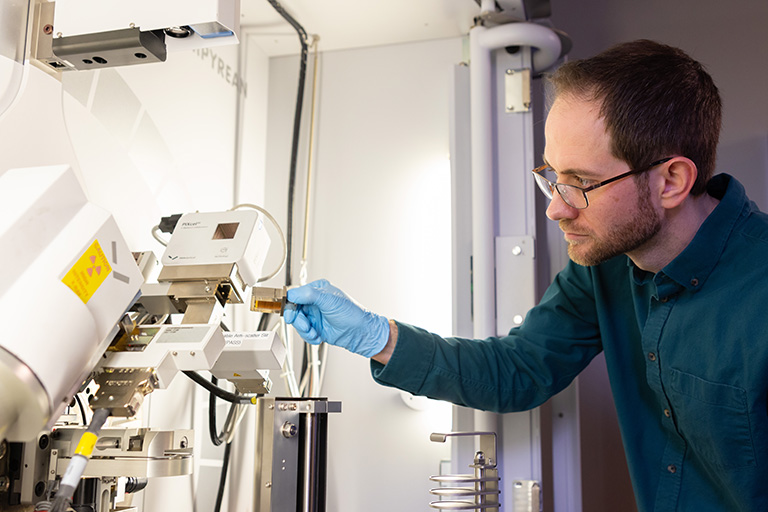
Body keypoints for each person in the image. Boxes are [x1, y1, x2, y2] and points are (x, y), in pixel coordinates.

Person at [283, 40, 768, 511]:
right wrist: (373, 336)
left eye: (580, 183)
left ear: (671, 181)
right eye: (552, 176)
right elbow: (520, 369)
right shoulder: (607, 264)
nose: (556, 208)